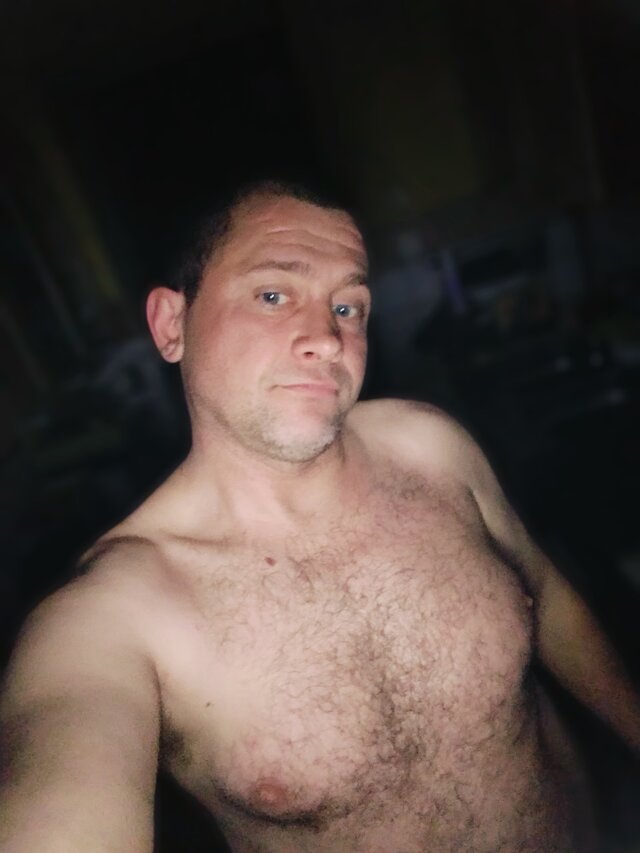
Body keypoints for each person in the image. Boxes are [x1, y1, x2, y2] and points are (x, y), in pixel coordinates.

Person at [1, 180, 639, 852]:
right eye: (273, 295)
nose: (328, 340)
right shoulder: (112, 617)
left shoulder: (431, 447)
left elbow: (546, 595)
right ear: (170, 325)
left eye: (347, 306)